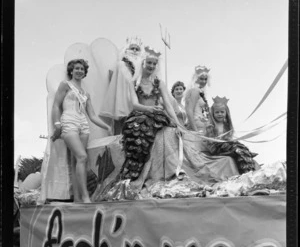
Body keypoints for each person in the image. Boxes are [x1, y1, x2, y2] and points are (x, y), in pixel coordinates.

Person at [92, 49, 239, 201]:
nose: (151, 66)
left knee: (169, 135)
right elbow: (134, 104)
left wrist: (178, 124)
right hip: (140, 117)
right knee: (139, 138)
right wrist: (149, 108)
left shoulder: (159, 83)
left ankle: (169, 174)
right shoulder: (133, 82)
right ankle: (139, 175)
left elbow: (168, 105)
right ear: (143, 63)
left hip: (157, 117)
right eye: (149, 62)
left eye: (154, 64)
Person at [51, 59, 112, 203]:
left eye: (82, 69)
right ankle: (86, 197)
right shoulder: (65, 85)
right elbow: (56, 106)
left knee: (76, 161)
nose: (79, 71)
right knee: (82, 157)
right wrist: (57, 124)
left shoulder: (86, 93)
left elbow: (92, 115)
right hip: (69, 121)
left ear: (85, 73)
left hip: (83, 124)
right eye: (77, 68)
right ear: (71, 71)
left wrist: (107, 127)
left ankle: (77, 198)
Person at [99, 37, 145, 134]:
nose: (135, 51)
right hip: (123, 100)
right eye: (132, 48)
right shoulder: (121, 64)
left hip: (139, 99)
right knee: (121, 126)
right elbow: (118, 86)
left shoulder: (142, 66)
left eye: (137, 49)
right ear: (127, 50)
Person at [205, 96, 260, 174]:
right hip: (218, 148)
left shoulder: (226, 125)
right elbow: (210, 145)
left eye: (222, 112)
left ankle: (248, 161)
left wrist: (229, 141)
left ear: (226, 113)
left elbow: (229, 138)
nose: (220, 114)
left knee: (241, 147)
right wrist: (210, 133)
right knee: (237, 149)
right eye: (217, 112)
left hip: (227, 146)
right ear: (212, 113)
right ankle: (245, 171)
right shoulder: (211, 126)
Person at [185, 65, 211, 134]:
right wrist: (195, 130)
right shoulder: (195, 91)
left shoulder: (199, 91)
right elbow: (189, 111)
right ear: (196, 79)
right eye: (201, 79)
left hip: (202, 124)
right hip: (197, 125)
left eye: (205, 79)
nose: (204, 81)